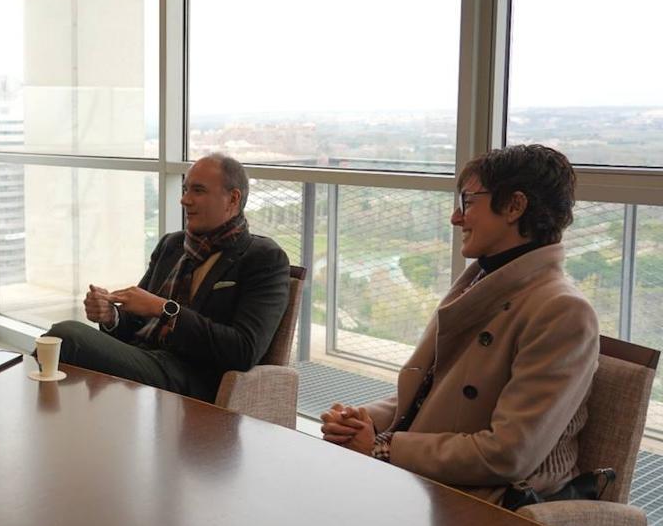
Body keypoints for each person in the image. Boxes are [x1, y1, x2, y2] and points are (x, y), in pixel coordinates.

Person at [319, 145, 598, 505]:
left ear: (515, 206)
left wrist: (383, 446)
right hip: (428, 485)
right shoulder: (481, 282)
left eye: (468, 202)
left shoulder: (561, 311)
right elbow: (433, 396)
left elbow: (507, 454)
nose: (456, 217)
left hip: (490, 510)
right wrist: (364, 421)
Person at [44, 154, 290, 401]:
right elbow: (134, 324)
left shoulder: (263, 258)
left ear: (233, 198)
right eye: (185, 189)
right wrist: (112, 316)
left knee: (67, 336)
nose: (185, 200)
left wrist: (164, 310)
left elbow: (243, 350)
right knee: (60, 345)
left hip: (192, 374)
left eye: (198, 191)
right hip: (145, 357)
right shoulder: (172, 245)